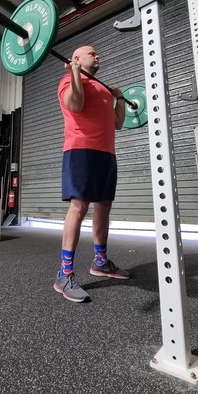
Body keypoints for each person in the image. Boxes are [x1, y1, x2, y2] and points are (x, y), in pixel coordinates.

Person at [54, 45, 131, 303]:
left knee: (104, 206)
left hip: (106, 153)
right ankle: (64, 274)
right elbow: (75, 105)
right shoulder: (68, 80)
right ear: (76, 59)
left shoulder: (103, 89)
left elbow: (118, 123)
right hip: (81, 150)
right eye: (92, 53)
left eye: (98, 53)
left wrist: (119, 98)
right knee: (79, 205)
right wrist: (75, 73)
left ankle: (100, 261)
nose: (98, 56)